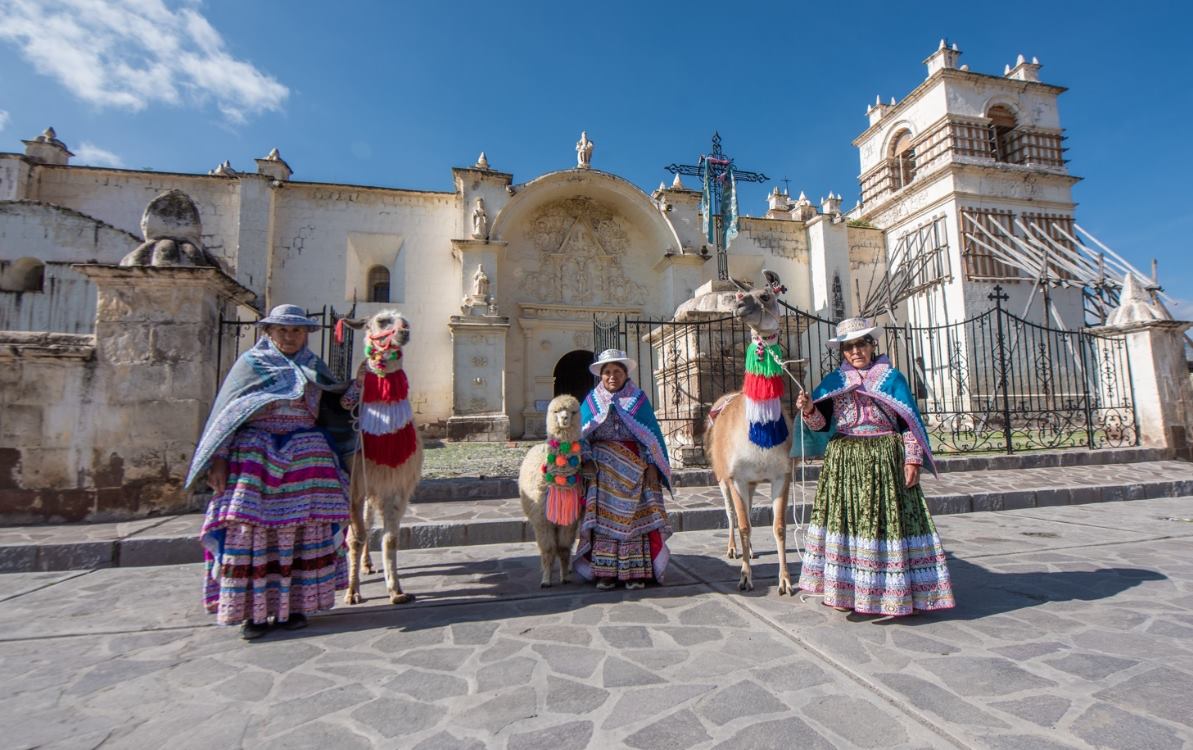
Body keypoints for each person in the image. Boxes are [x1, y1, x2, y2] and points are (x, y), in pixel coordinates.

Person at [186, 304, 353, 640]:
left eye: (296, 330)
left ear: (306, 334)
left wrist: (364, 382)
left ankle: (295, 607)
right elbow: (227, 415)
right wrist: (218, 459)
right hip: (255, 457)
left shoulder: (312, 366)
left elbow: (336, 403)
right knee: (250, 531)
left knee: (304, 532)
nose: (290, 336)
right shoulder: (250, 365)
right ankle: (253, 612)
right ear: (268, 332)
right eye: (282, 330)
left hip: (307, 460)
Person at [794, 317, 954, 616]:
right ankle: (849, 592)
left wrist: (912, 459)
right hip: (845, 463)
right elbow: (819, 425)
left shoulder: (892, 379)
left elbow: (909, 424)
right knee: (847, 527)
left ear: (872, 345)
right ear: (842, 351)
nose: (856, 351)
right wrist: (809, 409)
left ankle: (893, 593)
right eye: (849, 346)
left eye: (861, 344)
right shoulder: (834, 382)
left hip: (885, 461)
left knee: (886, 526)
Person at [574, 349, 673, 590]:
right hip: (603, 474)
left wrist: (651, 465)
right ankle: (605, 573)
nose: (611, 376)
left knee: (635, 523)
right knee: (605, 524)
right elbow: (581, 434)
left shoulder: (638, 399)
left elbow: (650, 436)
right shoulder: (591, 400)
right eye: (607, 372)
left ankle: (636, 573)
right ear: (601, 375)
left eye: (617, 371)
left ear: (625, 374)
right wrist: (586, 458)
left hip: (636, 472)